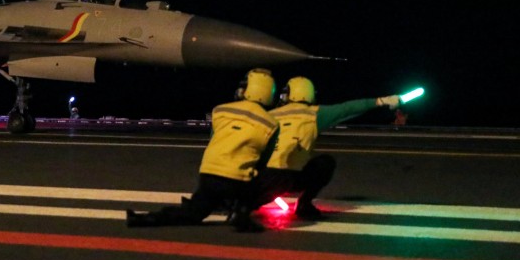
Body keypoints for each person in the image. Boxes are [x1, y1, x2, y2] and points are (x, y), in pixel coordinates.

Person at [125, 68, 284, 232]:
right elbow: (263, 160)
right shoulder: (271, 123)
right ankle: (242, 212)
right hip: (238, 181)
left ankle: (142, 219)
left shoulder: (220, 110)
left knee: (192, 213)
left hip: (209, 176)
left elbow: (214, 139)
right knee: (270, 178)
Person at [255, 77, 402, 220]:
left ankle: (241, 203)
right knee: (325, 163)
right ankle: (304, 205)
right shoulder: (314, 114)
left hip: (265, 178)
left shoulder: (269, 115)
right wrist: (381, 101)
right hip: (290, 177)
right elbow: (348, 108)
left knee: (247, 202)